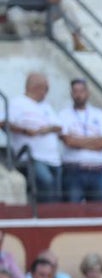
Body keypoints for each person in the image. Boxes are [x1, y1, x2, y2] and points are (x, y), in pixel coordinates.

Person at [6, 72, 64, 203]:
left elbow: (59, 126)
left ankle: (52, 219)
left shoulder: (46, 106)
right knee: (46, 184)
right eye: (46, 88)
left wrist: (47, 129)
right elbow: (4, 123)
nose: (47, 92)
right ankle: (44, 218)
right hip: (33, 157)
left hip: (53, 159)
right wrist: (25, 130)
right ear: (36, 87)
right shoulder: (16, 103)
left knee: (56, 193)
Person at [58, 79, 102, 203]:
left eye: (81, 91)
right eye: (75, 91)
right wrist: (95, 141)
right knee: (72, 212)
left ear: (88, 93)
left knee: (99, 213)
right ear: (71, 94)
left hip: (97, 170)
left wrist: (79, 141)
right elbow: (69, 141)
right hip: (74, 171)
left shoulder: (100, 114)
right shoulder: (63, 114)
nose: (78, 95)